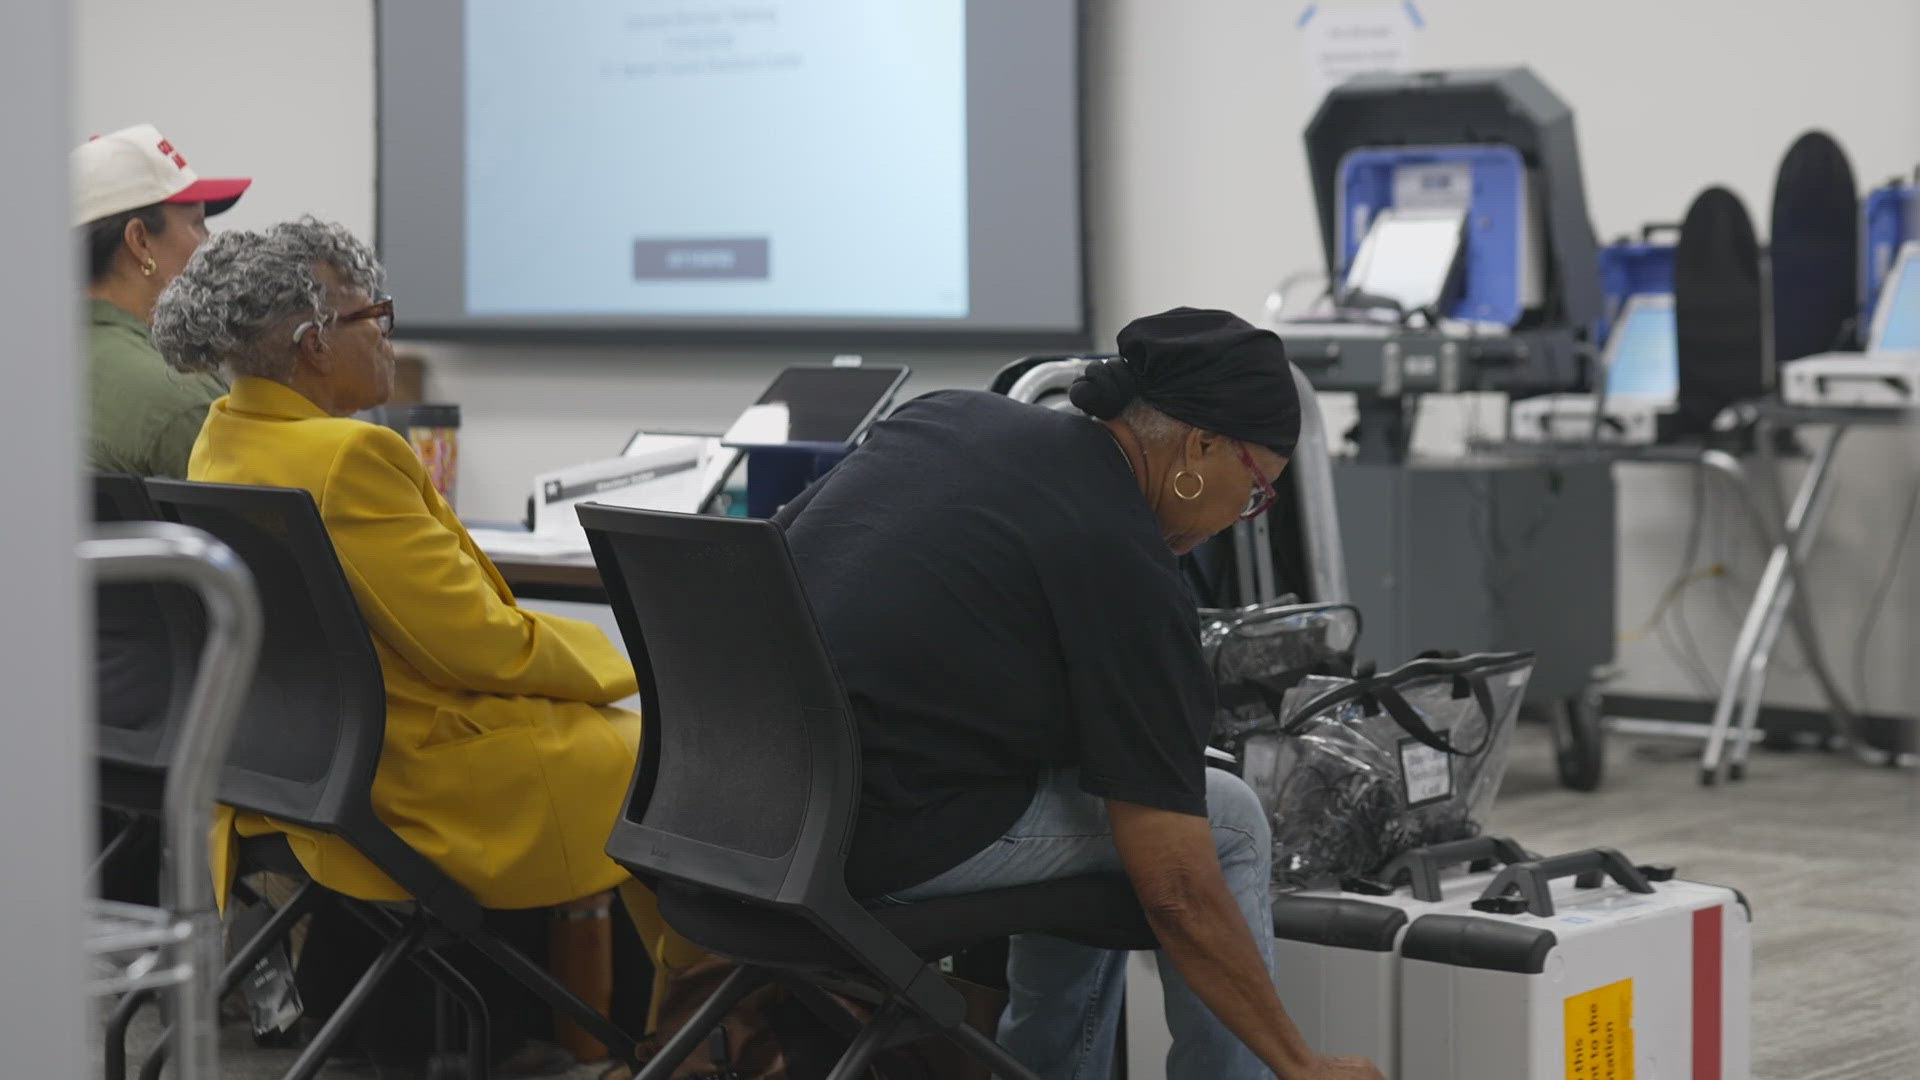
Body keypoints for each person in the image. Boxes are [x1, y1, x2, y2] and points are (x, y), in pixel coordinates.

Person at [774, 308, 1383, 1080]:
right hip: (863, 845)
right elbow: (1177, 890)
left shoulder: (943, 417)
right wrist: (1302, 1063)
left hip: (734, 819)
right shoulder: (1123, 560)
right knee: (1227, 818)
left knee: (1097, 796)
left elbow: (779, 565)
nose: (1243, 515)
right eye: (1257, 490)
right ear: (1200, 448)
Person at [149, 218, 700, 1063]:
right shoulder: (351, 456)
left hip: (291, 767)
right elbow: (475, 647)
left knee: (643, 754)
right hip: (412, 778)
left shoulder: (224, 433)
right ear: (315, 342)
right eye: (378, 316)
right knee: (679, 765)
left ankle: (683, 1031)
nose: (389, 336)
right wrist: (631, 671)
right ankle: (703, 1036)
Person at [76, 122, 250, 478]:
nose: (210, 241)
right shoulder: (184, 398)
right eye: (197, 223)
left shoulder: (27, 365)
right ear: (140, 241)